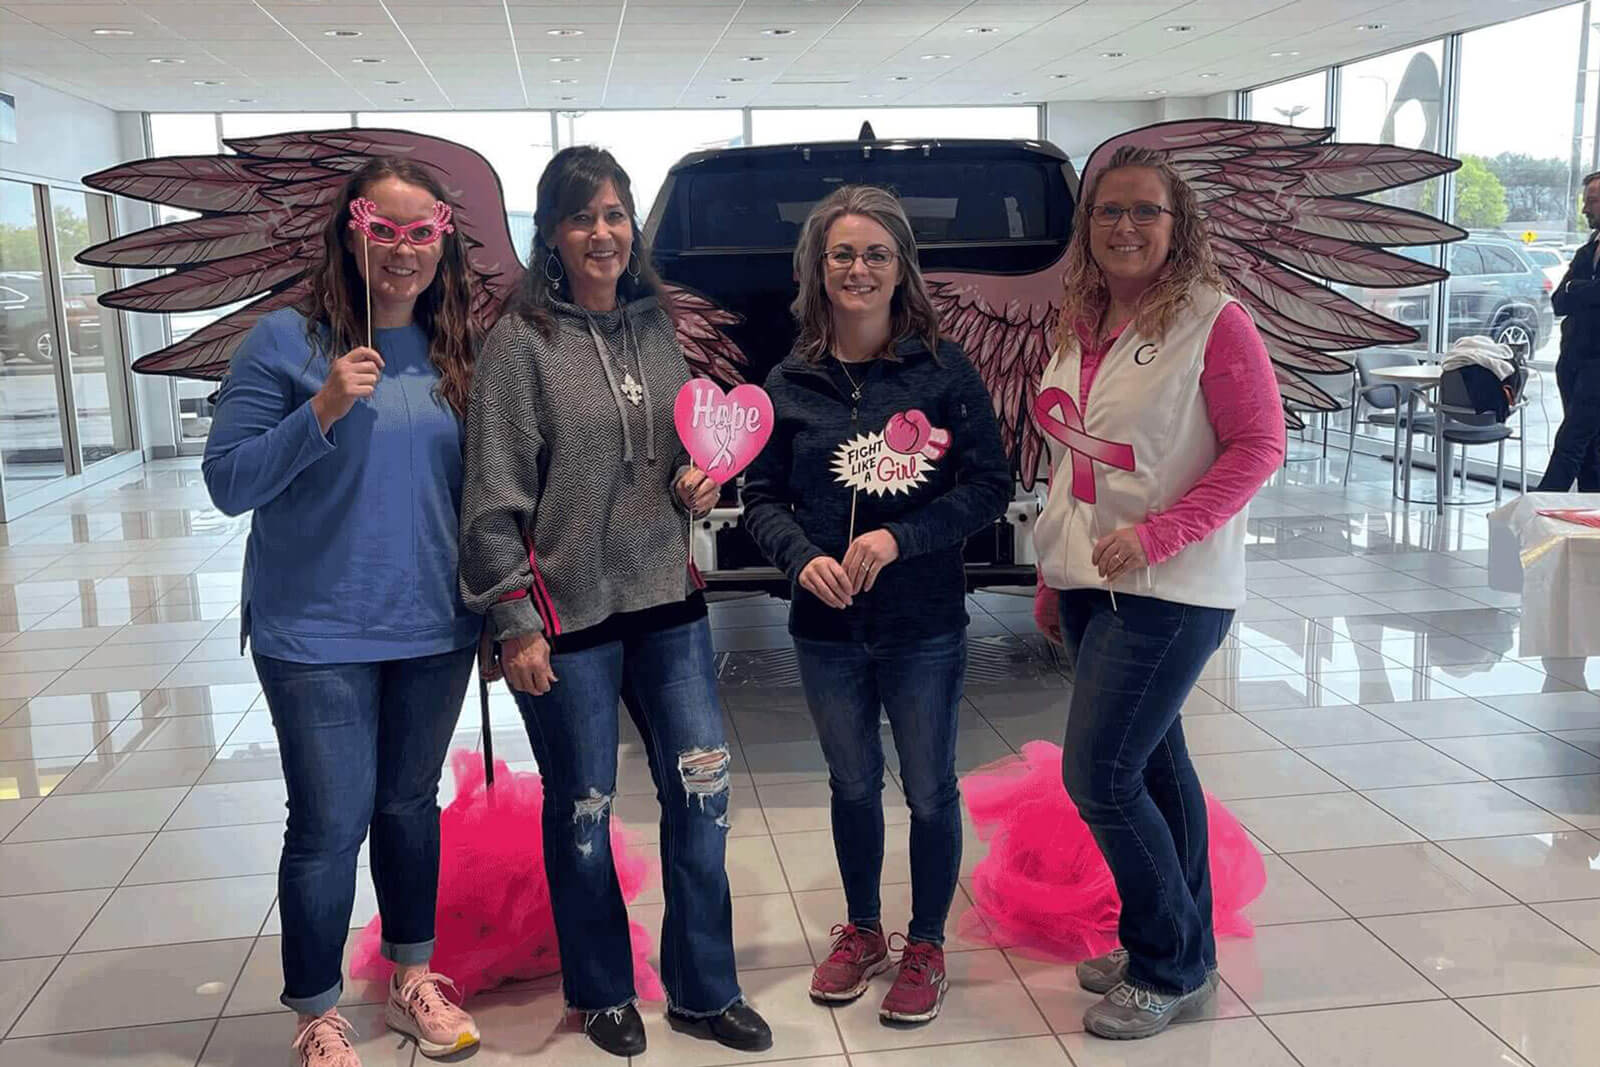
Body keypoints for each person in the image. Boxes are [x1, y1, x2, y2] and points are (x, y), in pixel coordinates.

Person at [457, 146, 771, 1059]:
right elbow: (491, 501)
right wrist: (513, 621)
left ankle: (705, 988)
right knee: (585, 806)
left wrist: (694, 484)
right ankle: (599, 989)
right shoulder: (521, 345)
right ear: (552, 235)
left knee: (702, 796)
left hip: (667, 597)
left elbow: (673, 444)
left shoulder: (655, 325)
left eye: (616, 215)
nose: (603, 232)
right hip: (568, 616)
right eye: (582, 216)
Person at [203, 158, 485, 1067]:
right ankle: (317, 1010)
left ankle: (411, 974)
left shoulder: (457, 349)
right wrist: (321, 406)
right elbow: (227, 482)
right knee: (328, 820)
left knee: (409, 805)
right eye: (384, 229)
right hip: (315, 628)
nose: (402, 252)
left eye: (420, 233)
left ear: (442, 240)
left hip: (433, 624)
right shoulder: (283, 342)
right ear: (350, 231)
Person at [1028, 146, 1285, 1040]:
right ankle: (1172, 944)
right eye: (1108, 212)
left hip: (1174, 587)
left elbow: (1258, 447)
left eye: (1145, 211)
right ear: (1087, 225)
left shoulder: (1216, 323)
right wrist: (1051, 572)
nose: (1125, 227)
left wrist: (1160, 534)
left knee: (1098, 774)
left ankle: (1170, 961)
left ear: (1178, 227)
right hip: (1093, 579)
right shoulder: (1082, 321)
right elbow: (1075, 462)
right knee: (1157, 770)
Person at [743, 185, 1012, 1025]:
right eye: (842, 255)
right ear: (816, 268)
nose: (858, 269)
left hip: (922, 624)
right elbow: (758, 497)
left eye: (876, 255)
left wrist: (900, 539)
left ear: (903, 270)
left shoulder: (943, 370)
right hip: (825, 628)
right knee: (851, 782)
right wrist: (800, 556)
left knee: (929, 788)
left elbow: (991, 486)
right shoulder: (788, 380)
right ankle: (863, 931)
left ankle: (925, 941)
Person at [1536, 171, 1600, 492]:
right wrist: (1584, 290)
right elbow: (1559, 301)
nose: (1585, 209)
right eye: (1586, 200)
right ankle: (1591, 520)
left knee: (1571, 440)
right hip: (1572, 360)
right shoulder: (1588, 249)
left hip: (1597, 365)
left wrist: (1579, 289)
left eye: (1593, 201)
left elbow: (1579, 293)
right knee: (1589, 450)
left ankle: (1536, 513)